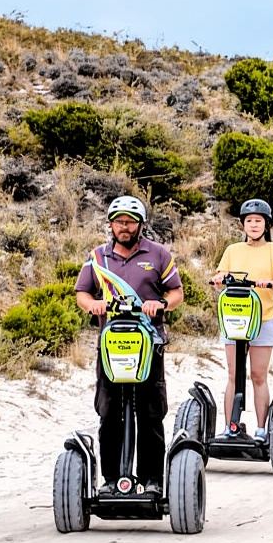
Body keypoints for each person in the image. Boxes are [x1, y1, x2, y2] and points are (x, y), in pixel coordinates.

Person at [74, 195, 184, 496]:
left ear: (140, 224)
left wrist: (160, 303)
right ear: (111, 224)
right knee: (110, 412)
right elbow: (82, 293)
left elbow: (176, 292)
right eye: (119, 222)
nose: (125, 227)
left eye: (130, 222)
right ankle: (112, 480)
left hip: (149, 342)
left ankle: (151, 481)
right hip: (112, 344)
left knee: (150, 412)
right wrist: (93, 305)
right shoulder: (98, 257)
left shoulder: (158, 254)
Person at [211, 198, 273, 441]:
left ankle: (261, 429)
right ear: (243, 224)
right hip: (235, 318)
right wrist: (218, 279)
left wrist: (267, 283)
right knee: (233, 374)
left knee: (258, 375)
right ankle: (230, 427)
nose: (254, 225)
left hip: (263, 319)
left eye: (258, 221)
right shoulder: (233, 250)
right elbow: (220, 275)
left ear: (266, 224)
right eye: (249, 221)